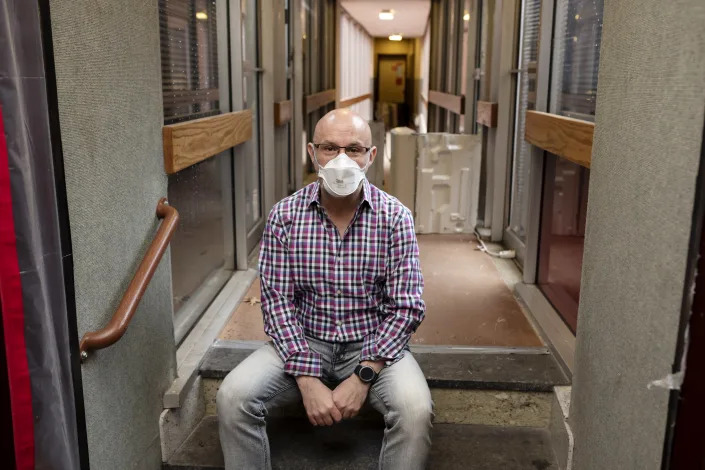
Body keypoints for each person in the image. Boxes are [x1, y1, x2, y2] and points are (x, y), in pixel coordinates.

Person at [217, 108, 433, 469]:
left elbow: (406, 307)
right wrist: (306, 378)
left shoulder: (395, 217)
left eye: (354, 149)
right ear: (312, 152)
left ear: (371, 156)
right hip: (305, 340)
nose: (342, 159)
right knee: (232, 397)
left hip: (372, 345)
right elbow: (277, 302)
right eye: (330, 148)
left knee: (415, 411)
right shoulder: (285, 216)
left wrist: (365, 374)